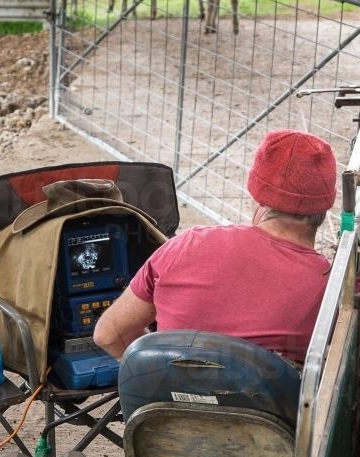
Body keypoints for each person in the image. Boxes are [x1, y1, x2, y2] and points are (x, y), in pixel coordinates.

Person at [93, 129, 338, 364]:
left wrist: (154, 368)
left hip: (162, 402)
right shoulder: (332, 286)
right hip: (268, 405)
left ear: (257, 193)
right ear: (326, 206)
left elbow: (109, 334)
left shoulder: (188, 245)